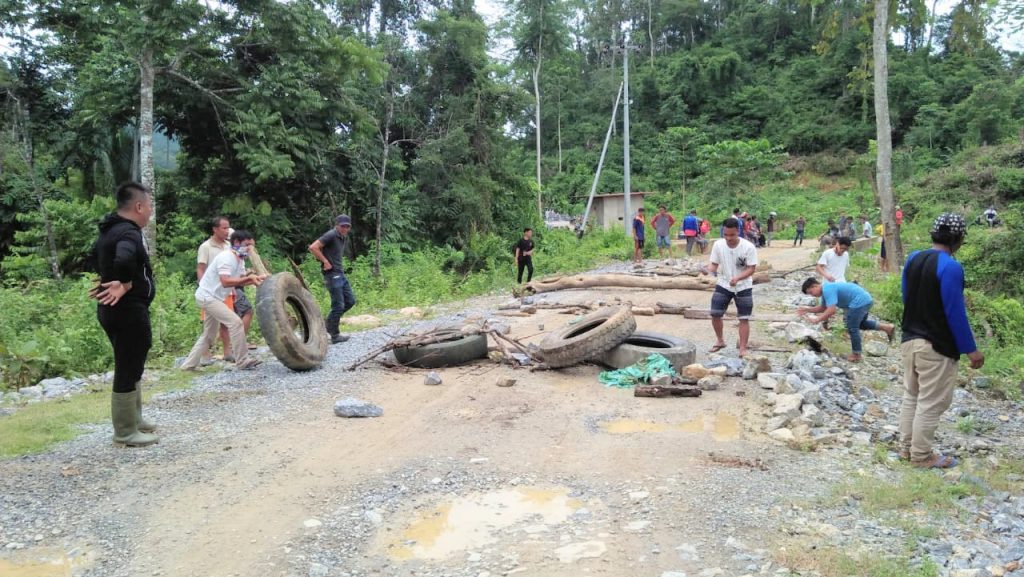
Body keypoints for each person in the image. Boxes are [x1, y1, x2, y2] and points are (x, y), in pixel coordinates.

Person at [898, 213, 984, 469]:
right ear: (957, 239)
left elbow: (907, 297)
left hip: (909, 339)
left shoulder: (913, 258)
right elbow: (954, 311)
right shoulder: (951, 267)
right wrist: (971, 350)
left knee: (911, 395)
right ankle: (921, 456)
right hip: (935, 345)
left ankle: (906, 448)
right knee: (932, 401)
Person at [89, 182, 159, 447]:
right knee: (128, 364)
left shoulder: (110, 229)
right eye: (150, 206)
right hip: (126, 309)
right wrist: (125, 281)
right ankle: (125, 431)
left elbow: (93, 256)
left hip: (114, 309)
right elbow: (125, 258)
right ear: (139, 206)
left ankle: (135, 420)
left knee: (132, 361)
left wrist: (107, 277)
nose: (150, 212)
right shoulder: (129, 234)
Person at [181, 230, 267, 371]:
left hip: (214, 297)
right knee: (235, 322)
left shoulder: (239, 260)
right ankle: (242, 361)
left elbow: (238, 281)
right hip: (208, 297)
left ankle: (188, 366)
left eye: (252, 246)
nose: (249, 249)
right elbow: (226, 282)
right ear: (236, 243)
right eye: (247, 245)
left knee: (208, 335)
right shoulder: (226, 258)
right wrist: (249, 278)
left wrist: (254, 279)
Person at [196, 217, 253, 362]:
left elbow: (236, 273)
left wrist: (247, 278)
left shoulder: (230, 246)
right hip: (211, 292)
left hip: (224, 290)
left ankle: (226, 353)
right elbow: (201, 269)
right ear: (215, 229)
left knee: (220, 327)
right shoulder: (206, 247)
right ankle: (242, 360)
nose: (227, 231)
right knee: (234, 322)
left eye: (228, 228)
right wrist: (204, 287)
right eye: (224, 228)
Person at [798, 278, 895, 362]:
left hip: (859, 302)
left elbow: (831, 310)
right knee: (861, 324)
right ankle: (887, 328)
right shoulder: (826, 290)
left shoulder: (827, 289)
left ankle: (856, 355)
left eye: (811, 292)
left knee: (852, 327)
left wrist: (818, 319)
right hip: (866, 300)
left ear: (815, 286)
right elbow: (823, 308)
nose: (812, 295)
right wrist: (807, 309)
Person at [707, 218, 758, 358]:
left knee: (744, 317)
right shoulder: (718, 245)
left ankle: (742, 348)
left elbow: (751, 268)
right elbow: (714, 265)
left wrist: (738, 278)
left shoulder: (748, 247)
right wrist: (707, 270)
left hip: (743, 286)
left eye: (732, 235)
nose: (728, 238)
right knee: (715, 313)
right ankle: (720, 340)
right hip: (723, 283)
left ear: (738, 232)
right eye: (726, 235)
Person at [309, 215, 357, 344]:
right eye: (343, 226)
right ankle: (334, 335)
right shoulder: (331, 234)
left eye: (347, 226)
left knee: (350, 301)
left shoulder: (342, 237)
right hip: (332, 274)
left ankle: (329, 323)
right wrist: (325, 261)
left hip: (340, 274)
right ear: (337, 225)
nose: (345, 228)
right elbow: (313, 247)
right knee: (338, 305)